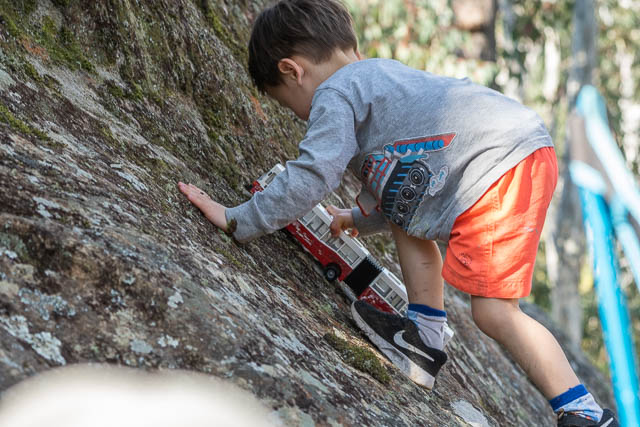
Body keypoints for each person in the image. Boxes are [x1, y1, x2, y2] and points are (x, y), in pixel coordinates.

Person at [178, 1, 618, 425]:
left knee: (494, 313)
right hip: (513, 152)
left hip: (499, 164)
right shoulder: (381, 79)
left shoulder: (335, 93)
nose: (299, 116)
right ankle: (422, 339)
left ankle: (584, 413)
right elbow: (405, 187)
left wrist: (239, 219)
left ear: (293, 71)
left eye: (288, 105)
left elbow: (314, 173)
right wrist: (357, 218)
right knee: (410, 223)